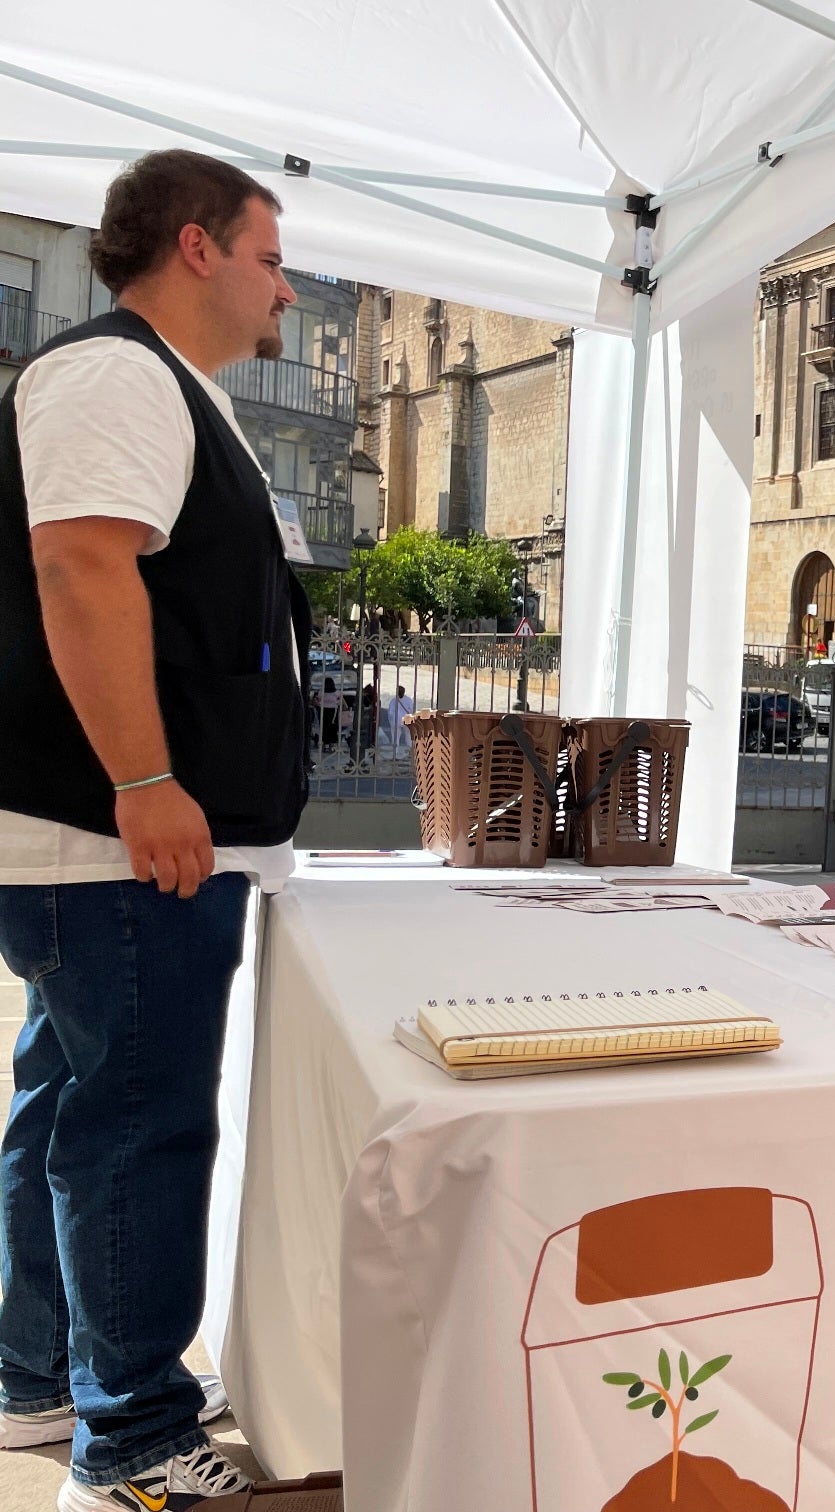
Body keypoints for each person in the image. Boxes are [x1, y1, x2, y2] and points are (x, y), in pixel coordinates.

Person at [0, 149, 311, 1507]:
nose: (286, 288)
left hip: (115, 839)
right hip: (113, 839)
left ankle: (40, 1376)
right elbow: (79, 561)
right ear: (196, 247)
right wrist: (142, 778)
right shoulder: (116, 372)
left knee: (73, 1102)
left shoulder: (163, 387)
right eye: (269, 256)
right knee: (136, 1122)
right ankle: (129, 1443)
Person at [385, 683, 416, 756]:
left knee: (396, 737)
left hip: (396, 721)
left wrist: (391, 721)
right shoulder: (408, 700)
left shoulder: (393, 701)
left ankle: (395, 752)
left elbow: (390, 712)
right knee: (408, 736)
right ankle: (410, 751)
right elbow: (412, 710)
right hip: (406, 720)